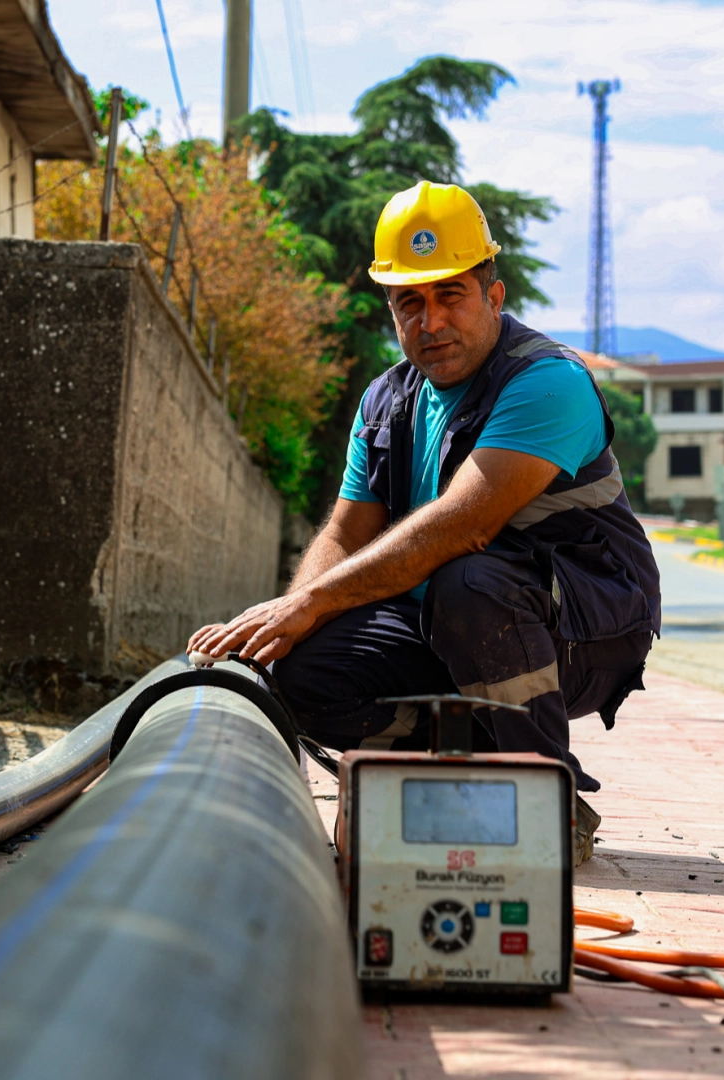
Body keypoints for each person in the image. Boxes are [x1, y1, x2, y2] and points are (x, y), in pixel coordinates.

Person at [189, 181, 661, 865]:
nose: (431, 321)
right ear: (392, 311)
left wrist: (311, 603)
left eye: (451, 296)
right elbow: (346, 533)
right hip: (451, 622)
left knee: (470, 581)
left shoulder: (546, 383)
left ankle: (543, 801)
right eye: (410, 302)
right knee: (300, 672)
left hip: (584, 629)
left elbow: (458, 528)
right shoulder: (387, 399)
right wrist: (291, 620)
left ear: (493, 297)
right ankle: (453, 781)